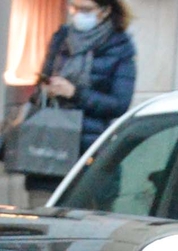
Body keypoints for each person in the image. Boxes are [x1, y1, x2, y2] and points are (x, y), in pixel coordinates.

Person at [17, 0, 134, 208]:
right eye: (74, 8)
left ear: (105, 11)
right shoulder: (61, 37)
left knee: (86, 225)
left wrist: (75, 93)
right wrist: (46, 88)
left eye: (86, 10)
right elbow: (40, 86)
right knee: (41, 219)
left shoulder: (119, 46)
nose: (78, 15)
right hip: (49, 147)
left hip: (90, 154)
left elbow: (119, 104)